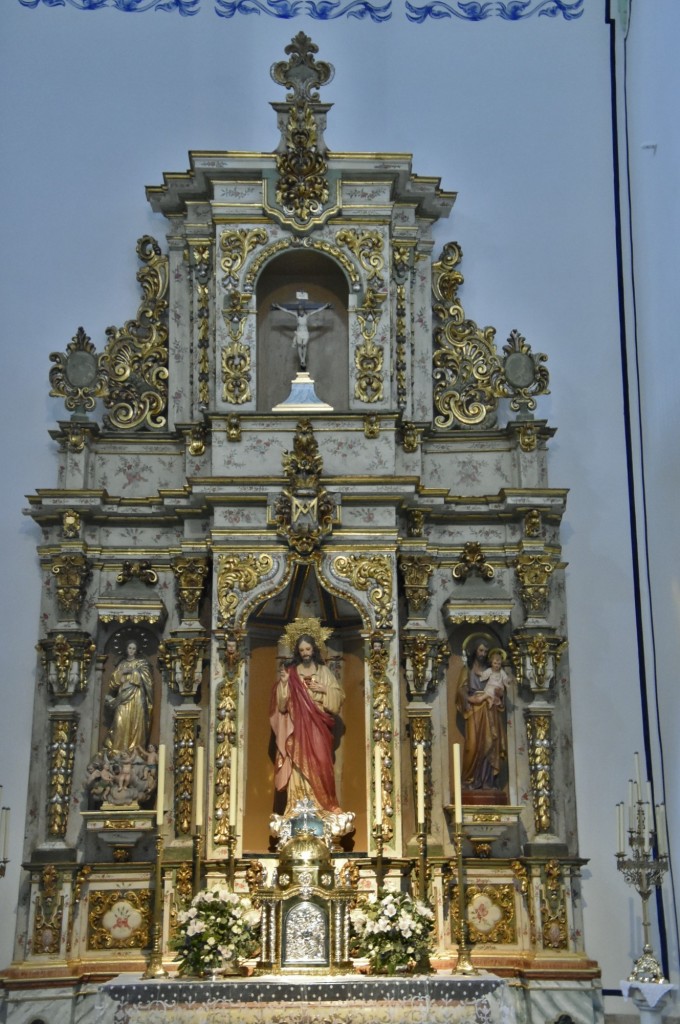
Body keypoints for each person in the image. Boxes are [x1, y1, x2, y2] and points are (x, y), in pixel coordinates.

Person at [270, 632, 344, 816]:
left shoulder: (324, 672)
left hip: (318, 725)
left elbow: (339, 697)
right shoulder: (292, 673)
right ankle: (297, 806)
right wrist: (285, 684)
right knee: (298, 762)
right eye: (302, 650)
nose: (305, 653)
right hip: (298, 727)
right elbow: (281, 706)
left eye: (308, 649)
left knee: (321, 762)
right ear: (298, 651)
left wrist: (324, 689)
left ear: (314, 649)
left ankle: (322, 805)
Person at [455, 637, 507, 791]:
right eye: (480, 650)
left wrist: (499, 694)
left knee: (490, 744)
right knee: (472, 745)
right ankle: (469, 780)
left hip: (490, 710)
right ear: (474, 651)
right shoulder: (467, 670)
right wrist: (469, 699)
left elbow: (500, 690)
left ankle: (487, 782)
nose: (483, 654)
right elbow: (460, 690)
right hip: (474, 710)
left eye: (485, 651)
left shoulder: (492, 671)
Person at [104, 640, 154, 753]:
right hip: (122, 698)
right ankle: (118, 751)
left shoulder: (141, 663)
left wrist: (133, 672)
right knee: (119, 722)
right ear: (126, 649)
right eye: (129, 648)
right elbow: (113, 682)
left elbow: (147, 681)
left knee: (136, 723)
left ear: (136, 651)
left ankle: (135, 752)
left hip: (136, 697)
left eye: (133, 648)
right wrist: (121, 673)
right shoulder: (121, 664)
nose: (131, 650)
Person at [271, 297, 332, 370]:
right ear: (299, 311)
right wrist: (278, 306)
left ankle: (303, 359)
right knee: (300, 345)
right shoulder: (296, 316)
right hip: (299, 333)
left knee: (304, 345)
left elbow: (317, 311)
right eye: (300, 311)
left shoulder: (307, 316)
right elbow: (287, 311)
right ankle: (302, 360)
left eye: (302, 310)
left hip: (305, 333)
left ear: (303, 311)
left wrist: (325, 306)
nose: (301, 312)